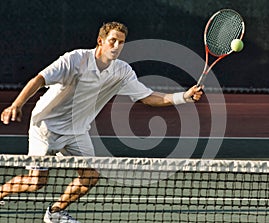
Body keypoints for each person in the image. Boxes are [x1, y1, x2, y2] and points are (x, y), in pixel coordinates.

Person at [0, 22, 202, 223]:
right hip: (46, 128)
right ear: (101, 41)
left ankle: (55, 212)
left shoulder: (122, 72)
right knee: (36, 182)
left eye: (121, 42)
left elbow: (148, 97)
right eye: (112, 41)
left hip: (77, 132)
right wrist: (16, 104)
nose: (116, 46)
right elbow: (40, 79)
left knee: (90, 176)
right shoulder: (75, 60)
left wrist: (184, 96)